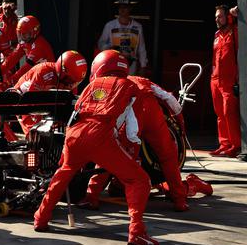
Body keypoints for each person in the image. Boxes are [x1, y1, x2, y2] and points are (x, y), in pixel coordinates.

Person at [34, 50, 159, 245]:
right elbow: (133, 123)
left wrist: (67, 148)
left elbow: (74, 115)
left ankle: (40, 218)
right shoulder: (129, 85)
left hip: (74, 133)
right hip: (100, 134)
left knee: (63, 173)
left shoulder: (91, 85)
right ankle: (137, 233)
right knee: (139, 180)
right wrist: (132, 147)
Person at [79, 69, 188, 211]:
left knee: (109, 155)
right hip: (153, 115)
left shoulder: (109, 86)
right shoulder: (141, 79)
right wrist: (181, 125)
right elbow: (169, 99)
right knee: (168, 156)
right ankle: (179, 200)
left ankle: (91, 196)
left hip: (131, 118)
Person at [13, 51, 88, 133]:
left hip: (47, 104)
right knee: (34, 135)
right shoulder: (42, 72)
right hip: (23, 100)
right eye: (70, 81)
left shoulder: (71, 79)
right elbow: (32, 102)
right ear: (62, 70)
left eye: (76, 82)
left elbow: (70, 105)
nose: (72, 85)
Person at [210, 5, 240, 158]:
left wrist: (232, 13)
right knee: (220, 113)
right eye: (216, 16)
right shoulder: (216, 35)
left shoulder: (235, 32)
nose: (217, 19)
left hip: (229, 79)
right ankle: (224, 144)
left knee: (229, 112)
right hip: (215, 79)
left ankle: (236, 145)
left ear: (228, 17)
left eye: (220, 16)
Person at [97, 0, 148, 76]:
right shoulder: (110, 25)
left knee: (129, 86)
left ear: (130, 8)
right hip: (114, 61)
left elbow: (141, 47)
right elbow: (100, 43)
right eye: (120, 7)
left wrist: (143, 66)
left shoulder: (138, 26)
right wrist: (109, 47)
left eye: (125, 7)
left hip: (131, 63)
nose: (122, 9)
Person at [1, 15, 55, 86]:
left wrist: (11, 81)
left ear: (35, 32)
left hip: (47, 77)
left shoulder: (39, 45)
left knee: (20, 88)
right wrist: (0, 70)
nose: (22, 37)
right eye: (20, 33)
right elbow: (13, 57)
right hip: (36, 74)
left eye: (25, 34)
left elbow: (26, 68)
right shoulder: (25, 42)